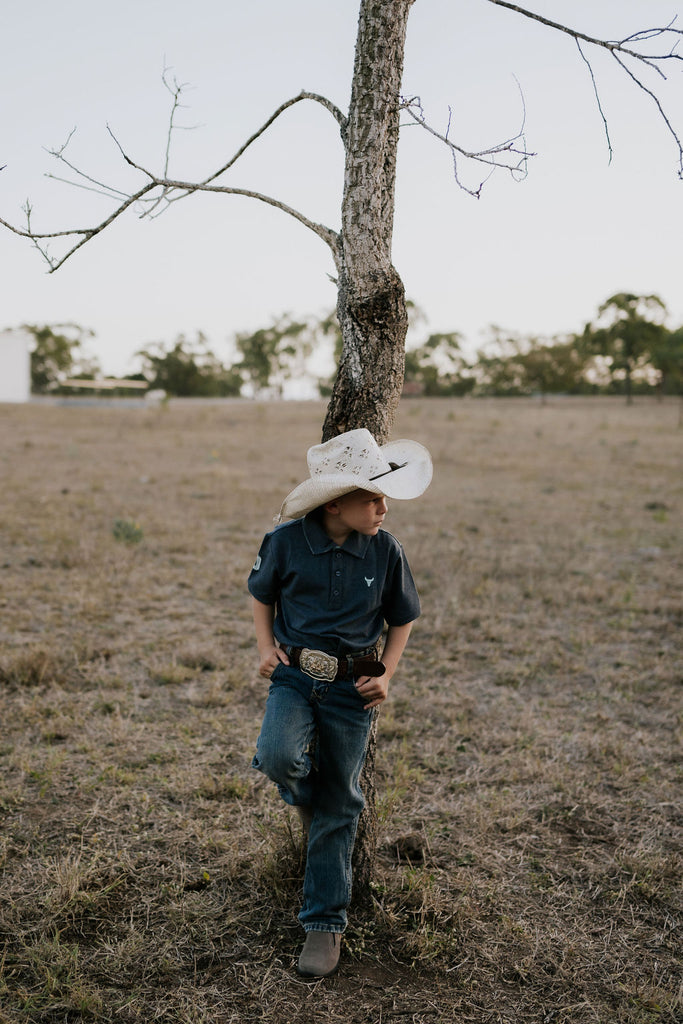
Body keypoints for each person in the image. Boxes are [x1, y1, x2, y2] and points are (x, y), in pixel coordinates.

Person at [248, 427, 432, 978]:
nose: (383, 508)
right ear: (334, 502)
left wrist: (388, 675)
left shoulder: (386, 549)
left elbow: (402, 619)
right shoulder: (284, 542)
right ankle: (311, 801)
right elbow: (262, 595)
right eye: (372, 498)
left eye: (384, 498)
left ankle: (324, 923)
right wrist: (264, 646)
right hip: (296, 677)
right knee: (279, 756)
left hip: (355, 687)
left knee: (342, 802)